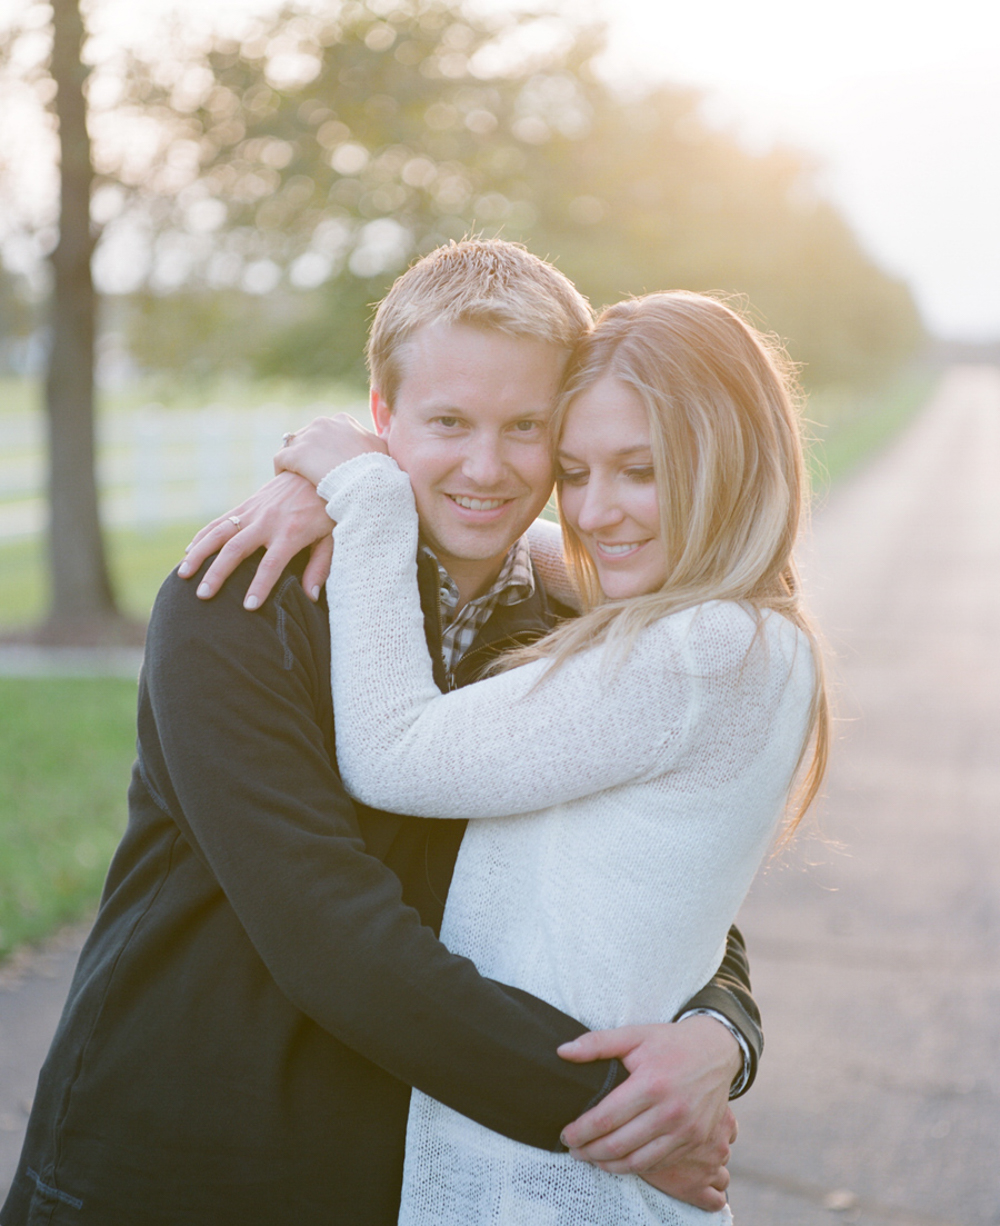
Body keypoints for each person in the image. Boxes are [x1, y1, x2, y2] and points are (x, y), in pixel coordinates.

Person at [2, 244, 759, 1226]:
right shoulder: (244, 599)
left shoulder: (571, 641)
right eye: (447, 422)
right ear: (381, 416)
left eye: (525, 427)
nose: (484, 467)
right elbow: (330, 934)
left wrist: (720, 1031)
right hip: (162, 1161)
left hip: (388, 1175)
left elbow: (663, 880)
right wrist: (618, 1115)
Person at [270, 289, 829, 1224]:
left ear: (729, 466)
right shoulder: (727, 634)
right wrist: (375, 476)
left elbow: (396, 755)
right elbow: (536, 542)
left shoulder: (702, 655)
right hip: (543, 1163)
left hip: (556, 1188)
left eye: (641, 471)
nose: (599, 510)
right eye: (572, 472)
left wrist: (366, 494)